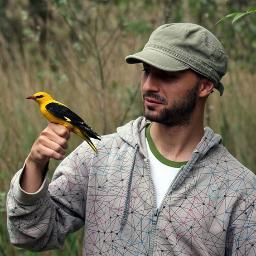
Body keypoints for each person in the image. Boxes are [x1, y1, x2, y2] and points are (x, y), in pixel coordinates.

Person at [6, 23, 256, 256]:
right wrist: (35, 165)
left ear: (204, 86)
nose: (148, 85)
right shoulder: (97, 156)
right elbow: (29, 233)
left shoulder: (240, 190)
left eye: (167, 75)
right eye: (146, 71)